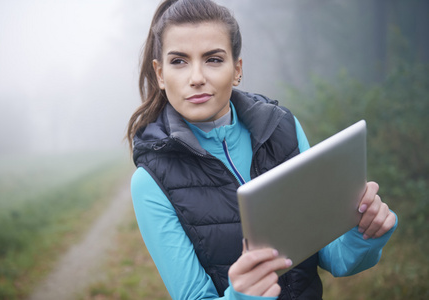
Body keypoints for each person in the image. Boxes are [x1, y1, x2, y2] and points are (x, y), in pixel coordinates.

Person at [127, 0, 398, 299]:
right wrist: (242, 295)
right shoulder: (150, 182)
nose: (196, 78)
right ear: (160, 74)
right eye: (179, 61)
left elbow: (332, 256)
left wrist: (364, 232)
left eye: (213, 59)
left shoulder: (283, 129)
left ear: (237, 68)